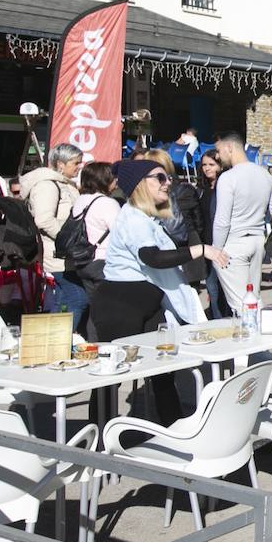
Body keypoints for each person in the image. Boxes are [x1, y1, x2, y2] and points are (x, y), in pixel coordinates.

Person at [90, 160, 229, 424]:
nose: (168, 183)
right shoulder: (132, 216)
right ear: (141, 184)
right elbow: (151, 257)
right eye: (160, 178)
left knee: (163, 369)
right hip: (119, 305)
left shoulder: (148, 218)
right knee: (111, 377)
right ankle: (99, 443)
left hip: (146, 304)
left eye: (168, 178)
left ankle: (172, 429)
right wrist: (200, 250)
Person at [211, 133, 272, 314]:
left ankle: (259, 336)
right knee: (253, 297)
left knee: (243, 306)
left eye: (219, 150)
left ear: (229, 147)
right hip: (257, 240)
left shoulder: (228, 177)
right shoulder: (265, 175)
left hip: (234, 242)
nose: (217, 155)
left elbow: (222, 220)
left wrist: (216, 249)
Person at [21, 144, 85, 329]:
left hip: (66, 254)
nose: (79, 167)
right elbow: (44, 220)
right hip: (59, 255)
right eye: (76, 163)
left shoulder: (63, 184)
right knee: (77, 298)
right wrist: (70, 241)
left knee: (63, 299)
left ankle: (51, 343)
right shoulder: (47, 186)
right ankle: (59, 343)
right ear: (60, 164)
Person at [142, 148, 206, 286]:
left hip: (163, 253)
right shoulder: (186, 190)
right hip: (188, 247)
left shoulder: (144, 197)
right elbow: (199, 222)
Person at [69, 161, 120, 288]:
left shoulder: (80, 200)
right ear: (104, 180)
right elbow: (120, 233)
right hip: (103, 261)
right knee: (109, 304)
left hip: (83, 261)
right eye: (113, 177)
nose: (117, 180)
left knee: (95, 304)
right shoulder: (108, 203)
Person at [196, 151, 228, 318]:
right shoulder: (201, 189)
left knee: (225, 290)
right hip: (207, 244)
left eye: (211, 165)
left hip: (224, 245)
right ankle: (216, 320)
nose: (207, 168)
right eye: (204, 165)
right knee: (212, 288)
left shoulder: (226, 188)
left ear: (220, 166)